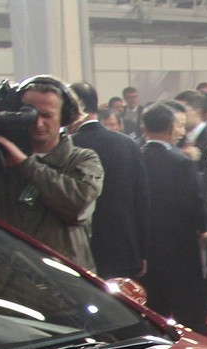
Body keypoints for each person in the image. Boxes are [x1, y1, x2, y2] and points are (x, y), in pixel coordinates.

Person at [0, 76, 103, 273]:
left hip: (62, 282)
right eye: (30, 115)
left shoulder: (83, 159)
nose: (38, 123)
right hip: (8, 280)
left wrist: (25, 164)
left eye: (47, 116)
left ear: (64, 117)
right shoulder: (0, 161)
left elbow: (78, 205)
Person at [138, 102, 207, 335]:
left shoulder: (136, 159)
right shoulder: (182, 162)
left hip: (146, 252)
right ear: (171, 127)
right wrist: (202, 228)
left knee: (153, 317)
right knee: (191, 318)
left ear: (143, 128)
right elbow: (195, 204)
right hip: (181, 250)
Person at [68, 81, 149, 281]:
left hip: (79, 249)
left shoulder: (68, 145)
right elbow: (142, 201)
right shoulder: (128, 144)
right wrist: (143, 251)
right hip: (123, 247)